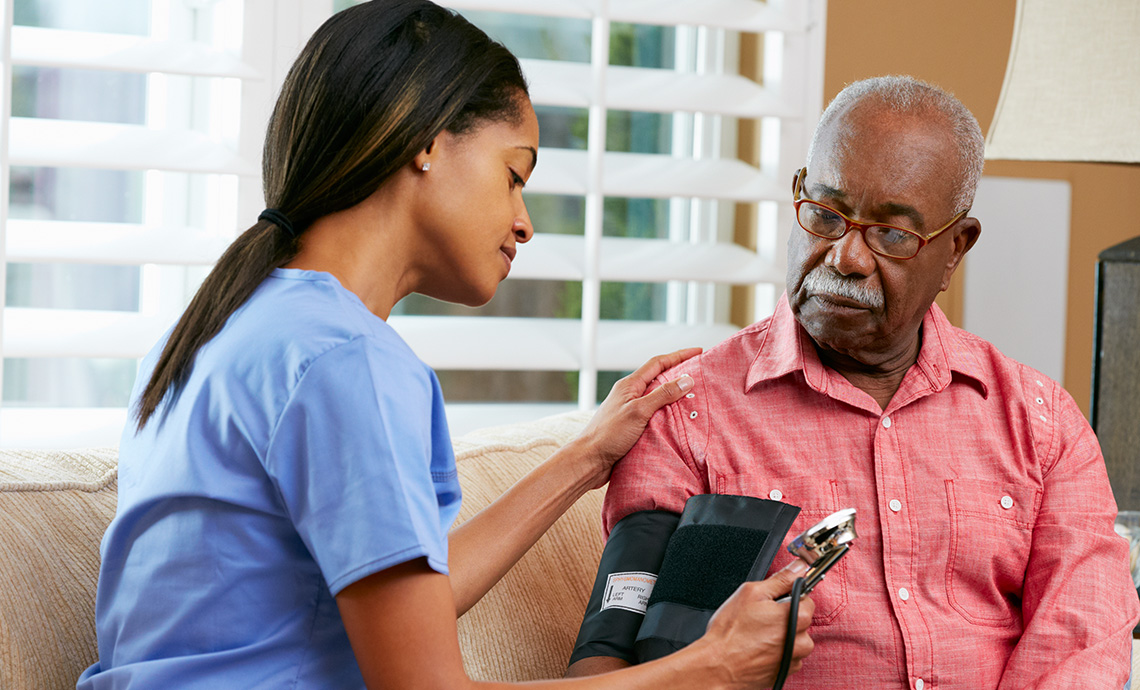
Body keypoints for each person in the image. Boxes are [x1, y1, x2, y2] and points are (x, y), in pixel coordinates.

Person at [76, 2, 815, 688]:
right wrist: (708, 666)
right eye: (514, 175)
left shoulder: (218, 331)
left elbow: (398, 606)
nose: (525, 222)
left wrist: (588, 457)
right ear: (426, 142)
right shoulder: (347, 362)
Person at [566, 75, 1140, 689]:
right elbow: (611, 657)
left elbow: (1081, 641)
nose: (846, 257)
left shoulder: (1041, 422)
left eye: (892, 234)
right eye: (825, 214)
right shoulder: (686, 412)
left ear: (955, 248)